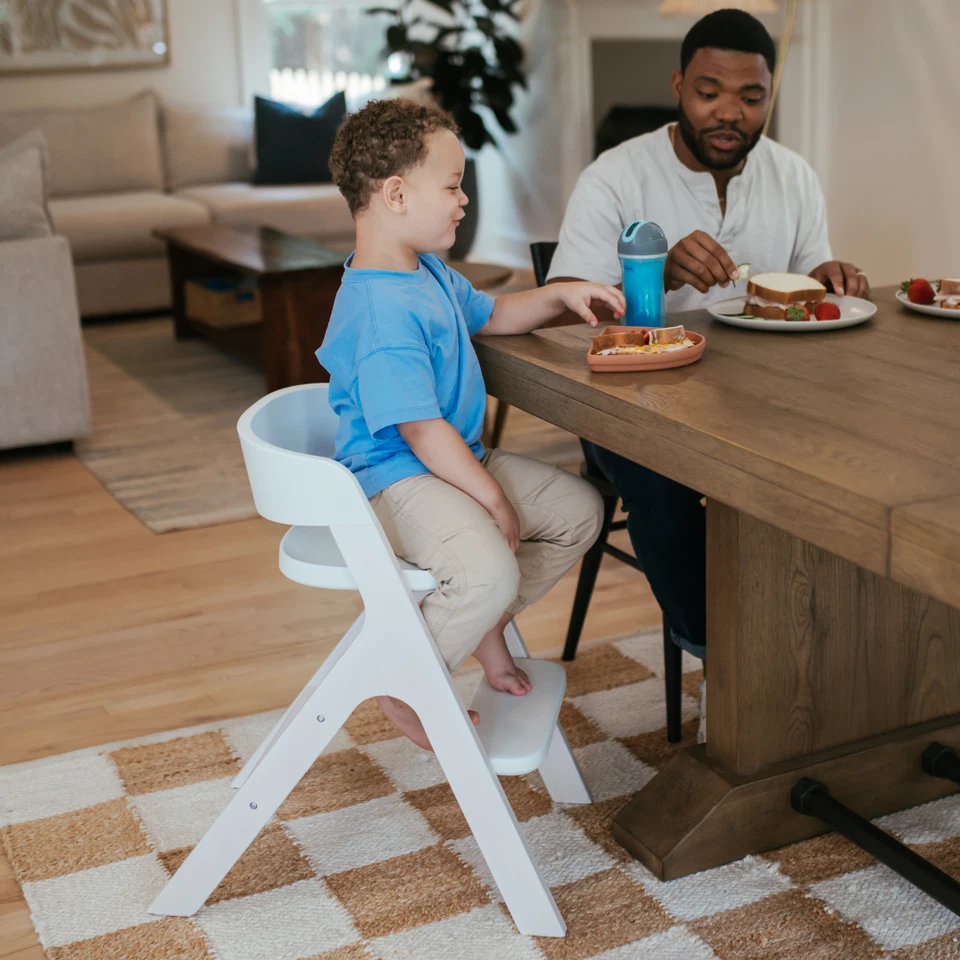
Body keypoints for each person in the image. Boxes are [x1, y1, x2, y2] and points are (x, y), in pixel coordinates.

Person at [546, 8, 870, 740]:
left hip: (768, 398)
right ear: (679, 88)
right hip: (631, 403)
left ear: (768, 96)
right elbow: (562, 322)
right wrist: (651, 271)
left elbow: (810, 285)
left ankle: (845, 653)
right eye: (710, 91)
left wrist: (828, 278)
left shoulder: (793, 176)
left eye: (750, 97)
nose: (730, 113)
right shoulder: (617, 177)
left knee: (853, 459)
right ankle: (721, 657)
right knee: (662, 466)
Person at [319, 99, 624, 750]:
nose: (463, 202)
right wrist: (488, 499)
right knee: (487, 570)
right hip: (395, 477)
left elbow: (492, 314)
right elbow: (419, 431)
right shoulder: (380, 310)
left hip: (452, 459)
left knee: (578, 511)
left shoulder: (424, 271)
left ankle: (484, 623)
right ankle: (406, 686)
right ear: (395, 194)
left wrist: (560, 296)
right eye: (453, 186)